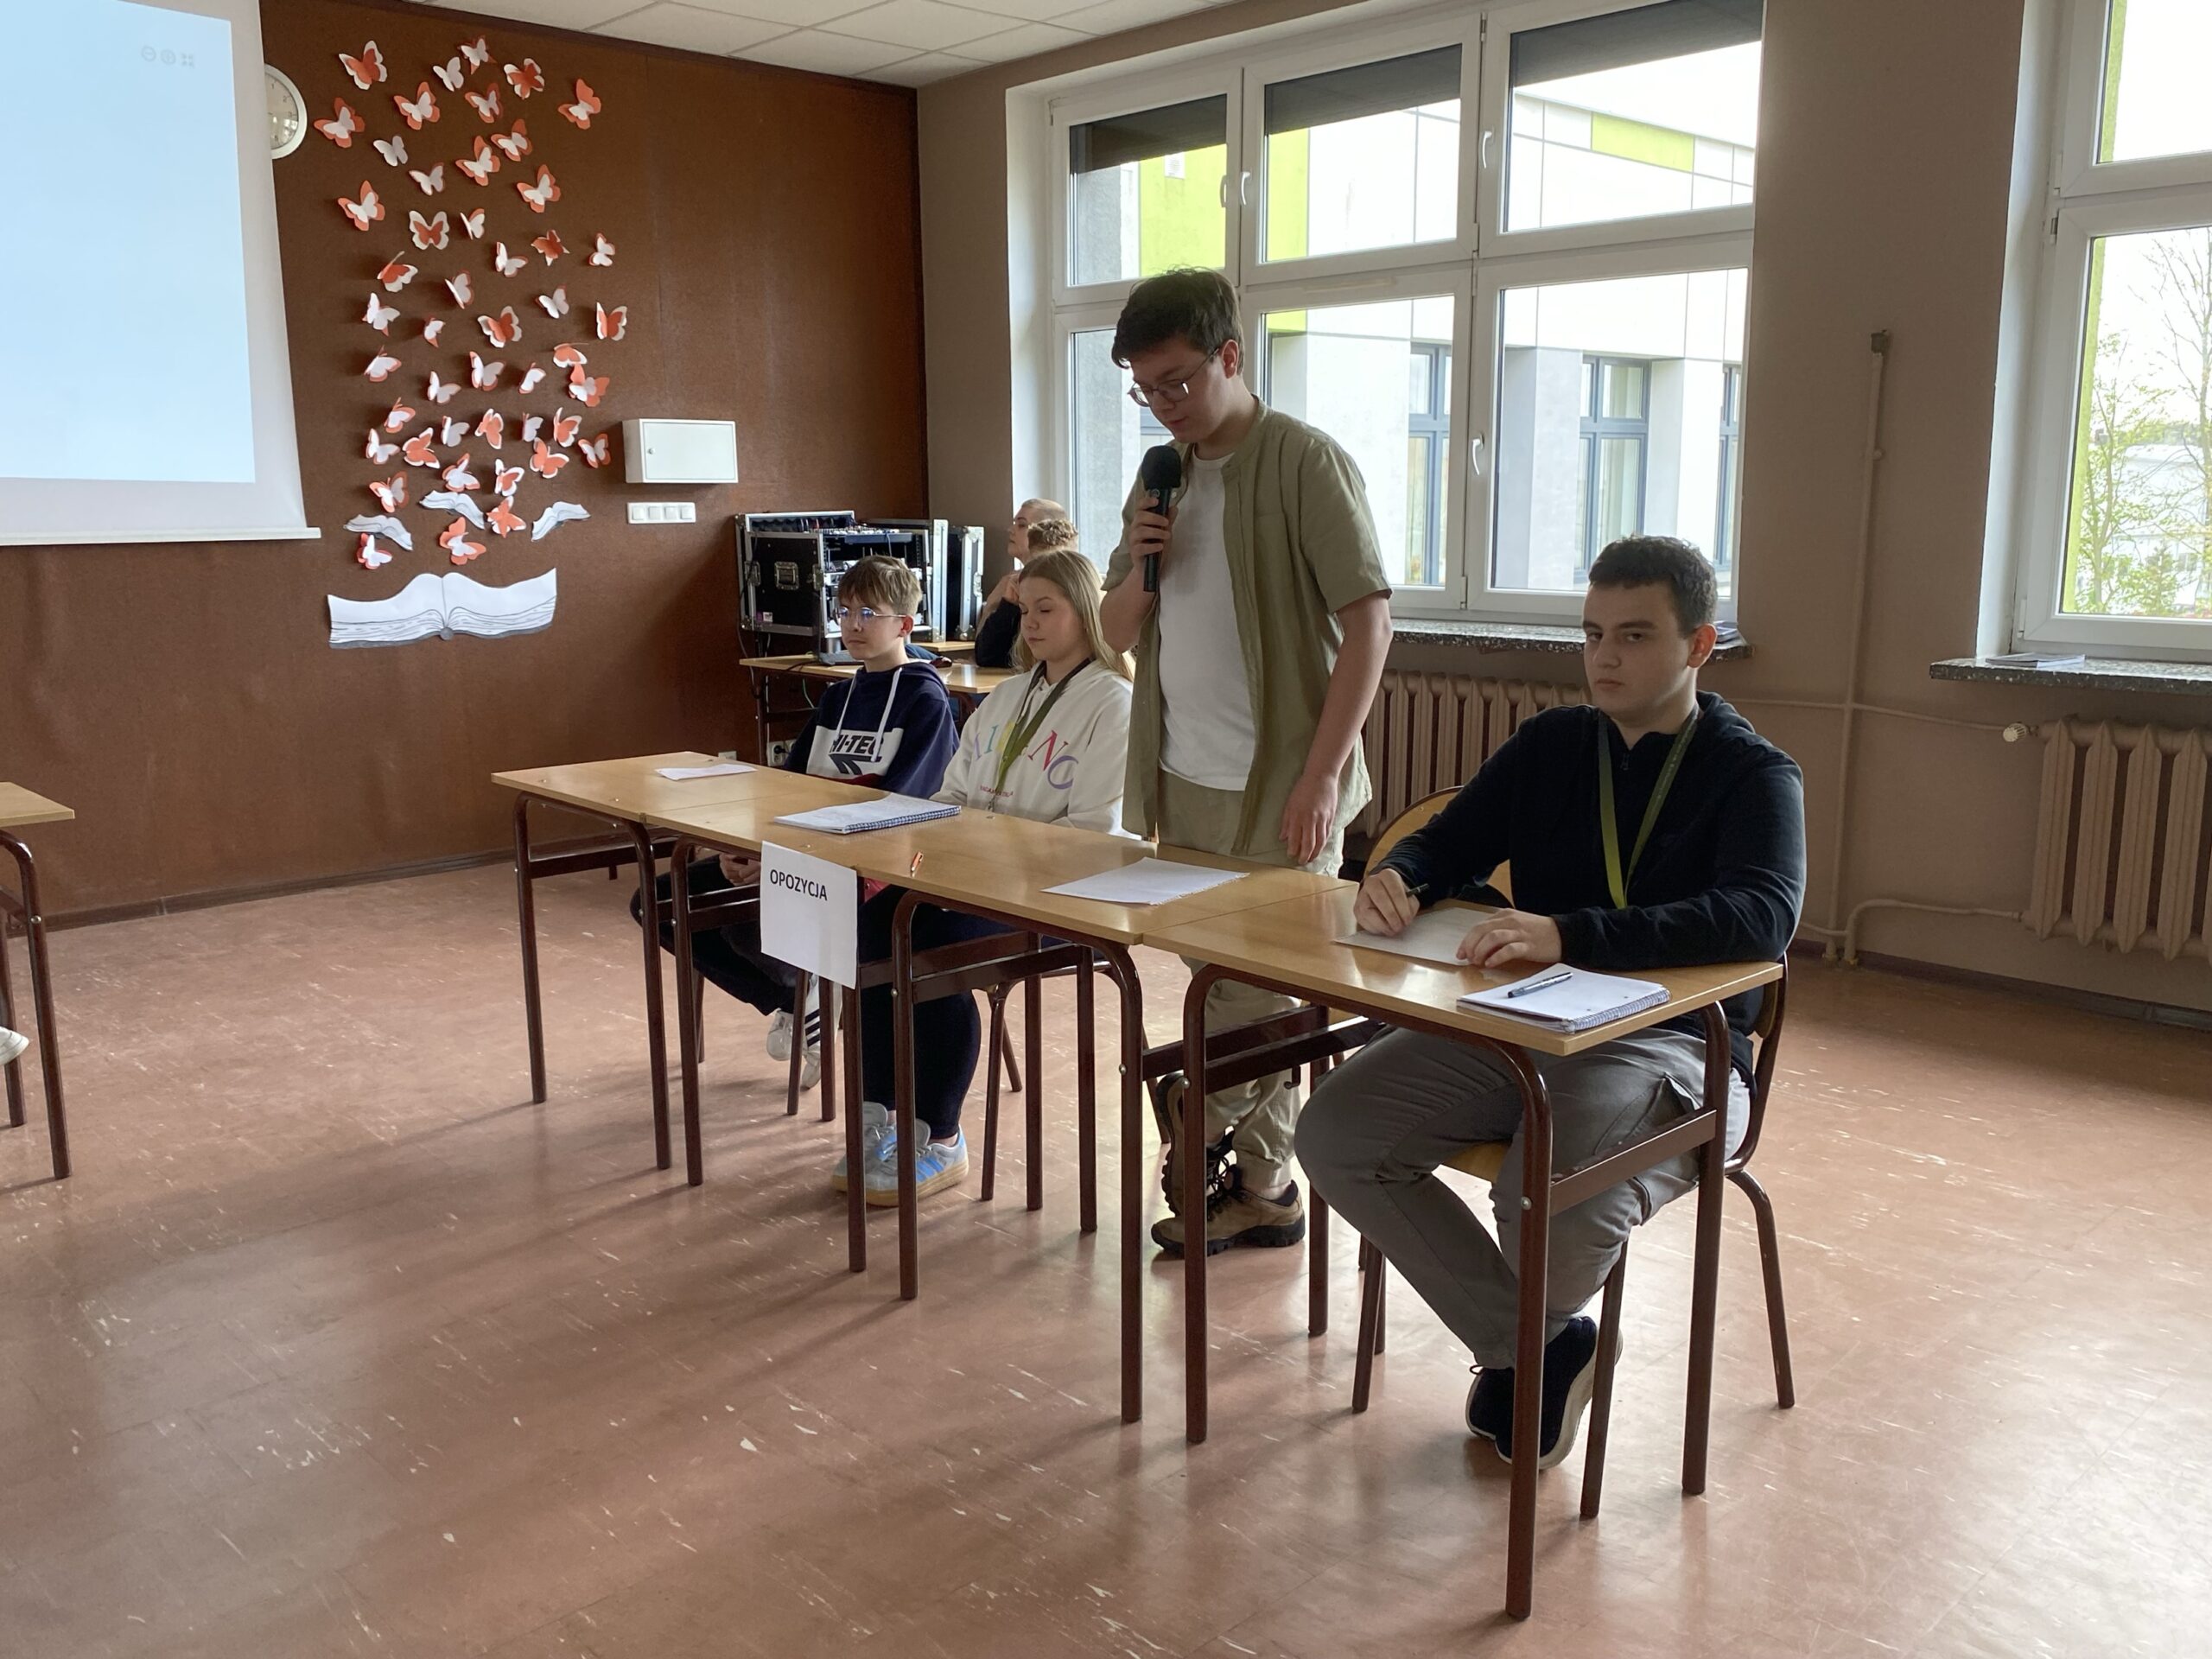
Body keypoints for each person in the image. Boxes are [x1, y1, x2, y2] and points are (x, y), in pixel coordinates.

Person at [1295, 536, 1805, 1469]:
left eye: (1635, 636)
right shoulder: (1553, 744)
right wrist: (1398, 877)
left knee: (1538, 1193)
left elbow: (1761, 916)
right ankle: (1539, 1347)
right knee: (1335, 1131)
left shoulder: (1752, 772)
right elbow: (1445, 842)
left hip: (1673, 1044)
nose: (1604, 658)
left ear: (1698, 645)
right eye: (1592, 634)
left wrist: (1571, 934)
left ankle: (1517, 1347)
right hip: (1527, 1023)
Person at [1096, 267, 1394, 1258]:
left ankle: (1197, 1107)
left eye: (1177, 381)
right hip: (1182, 785)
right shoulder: (1160, 477)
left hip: (1284, 791)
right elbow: (1112, 631)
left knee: (1264, 993)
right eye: (1145, 389)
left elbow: (1370, 626)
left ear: (1231, 355)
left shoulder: (1305, 462)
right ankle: (1265, 1188)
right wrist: (1145, 564)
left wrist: (1322, 776)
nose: (1164, 404)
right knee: (1227, 987)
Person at [837, 548, 1135, 1204]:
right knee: (866, 926)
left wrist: (987, 851)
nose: (1031, 623)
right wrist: (944, 846)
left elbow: (1096, 833)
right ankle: (879, 1113)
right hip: (974, 878)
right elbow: (951, 796)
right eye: (1025, 610)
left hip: (1059, 896)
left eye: (1047, 609)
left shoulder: (1114, 703)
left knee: (927, 947)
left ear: (1087, 613)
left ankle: (940, 1136)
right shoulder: (1006, 697)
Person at [636, 555, 957, 1085]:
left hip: (873, 866)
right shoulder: (838, 695)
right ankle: (795, 995)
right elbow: (784, 788)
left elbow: (901, 810)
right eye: (845, 610)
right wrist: (748, 849)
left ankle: (812, 988)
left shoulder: (925, 700)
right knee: (659, 902)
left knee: (748, 919)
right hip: (802, 852)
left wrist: (779, 860)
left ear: (904, 624)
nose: (852, 624)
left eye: (869, 613)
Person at [973, 505, 1076, 668]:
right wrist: (1007, 606)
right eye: (1025, 610)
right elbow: (986, 656)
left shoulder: (1074, 591)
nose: (1011, 530)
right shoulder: (1013, 586)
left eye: (1022, 525)